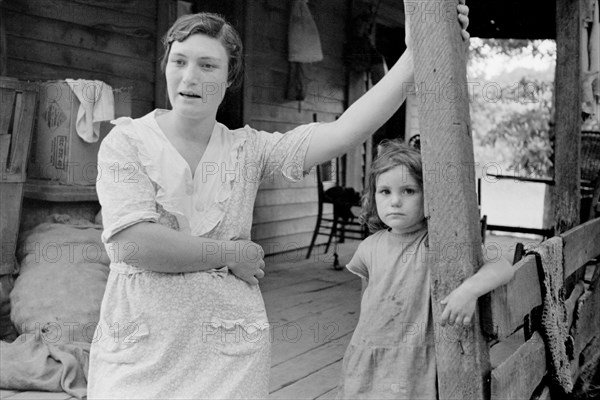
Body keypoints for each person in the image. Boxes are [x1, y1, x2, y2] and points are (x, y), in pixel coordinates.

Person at [88, 6, 470, 399]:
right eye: (179, 61)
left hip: (227, 355)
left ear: (229, 76)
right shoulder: (127, 141)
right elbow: (134, 244)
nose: (189, 77)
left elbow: (342, 134)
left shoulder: (249, 149)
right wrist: (230, 252)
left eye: (207, 65)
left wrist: (413, 56)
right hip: (141, 350)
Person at [335, 141, 514, 399]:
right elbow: (369, 307)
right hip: (368, 355)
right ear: (373, 197)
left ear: (428, 195)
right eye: (385, 191)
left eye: (408, 191)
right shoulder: (368, 247)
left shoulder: (438, 242)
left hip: (414, 358)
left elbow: (502, 266)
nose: (395, 201)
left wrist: (468, 291)